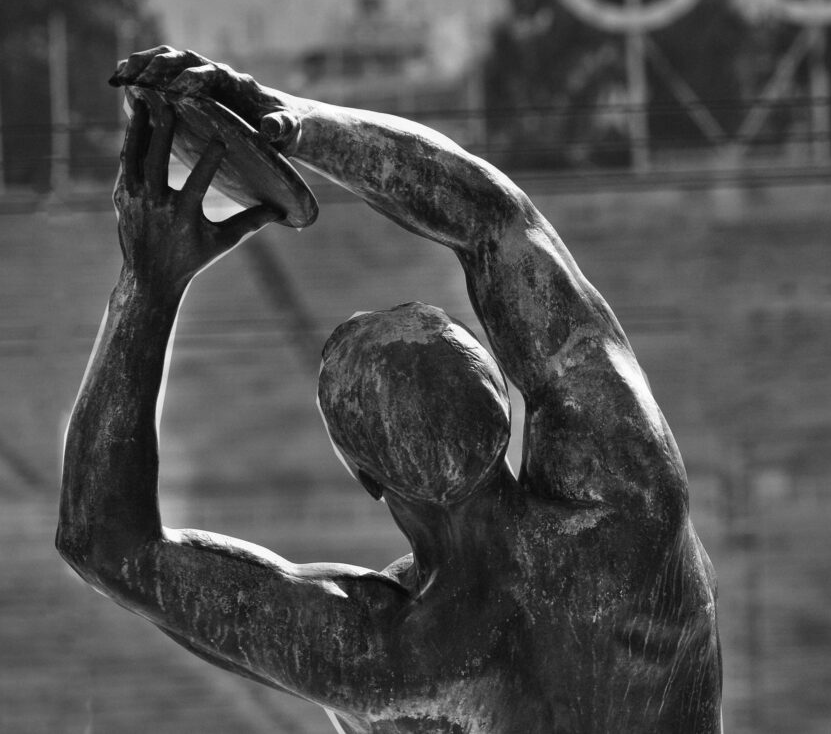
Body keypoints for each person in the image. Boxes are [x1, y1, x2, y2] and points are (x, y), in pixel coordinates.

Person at [57, 46, 722, 734]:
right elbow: (496, 220)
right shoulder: (627, 493)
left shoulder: (391, 657)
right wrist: (291, 119)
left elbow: (106, 544)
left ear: (366, 476)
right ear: (501, 396)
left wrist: (149, 283)